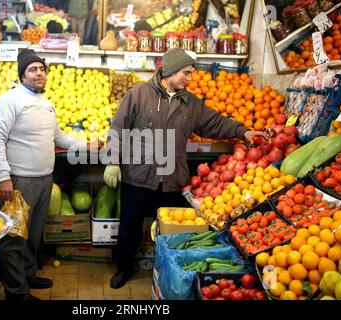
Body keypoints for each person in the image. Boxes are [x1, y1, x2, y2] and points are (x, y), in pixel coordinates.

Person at [103, 48, 268, 289]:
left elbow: (214, 123)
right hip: (139, 175)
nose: (190, 79)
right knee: (130, 226)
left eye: (191, 74)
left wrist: (242, 131)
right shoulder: (138, 94)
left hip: (171, 179)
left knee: (172, 230)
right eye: (186, 73)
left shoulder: (189, 103)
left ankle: (167, 269)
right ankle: (124, 268)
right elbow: (118, 128)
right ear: (170, 70)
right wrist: (112, 160)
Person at [0, 49, 101, 300]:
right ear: (22, 75)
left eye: (42, 69)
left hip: (43, 179)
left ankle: (28, 275)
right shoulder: (10, 101)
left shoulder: (46, 103)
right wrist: (3, 177)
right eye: (33, 69)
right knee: (14, 237)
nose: (39, 73)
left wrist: (85, 146)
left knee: (34, 234)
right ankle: (16, 292)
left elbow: (58, 136)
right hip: (18, 182)